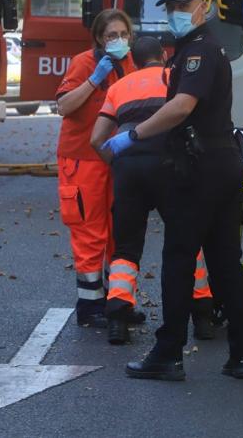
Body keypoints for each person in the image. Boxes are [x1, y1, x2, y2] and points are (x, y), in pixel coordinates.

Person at [103, 0, 243, 381]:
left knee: (178, 260)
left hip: (201, 168)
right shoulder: (199, 48)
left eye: (182, 4)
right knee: (226, 263)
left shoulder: (198, 53)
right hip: (220, 162)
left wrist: (134, 135)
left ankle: (168, 353)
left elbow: (181, 107)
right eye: (170, 5)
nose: (175, 11)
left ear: (203, 5)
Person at [91, 36, 215, 345]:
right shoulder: (175, 79)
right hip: (169, 165)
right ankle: (202, 316)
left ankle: (118, 317)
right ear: (164, 55)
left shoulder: (119, 88)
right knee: (187, 240)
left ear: (132, 60)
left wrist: (116, 160)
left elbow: (97, 139)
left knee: (126, 247)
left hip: (129, 169)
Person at [55, 8, 137, 328]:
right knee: (90, 232)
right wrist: (94, 80)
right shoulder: (84, 63)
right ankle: (90, 306)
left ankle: (118, 303)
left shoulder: (130, 63)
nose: (118, 40)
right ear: (100, 40)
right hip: (82, 159)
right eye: (111, 36)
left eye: (123, 34)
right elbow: (64, 106)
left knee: (121, 232)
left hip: (117, 157)